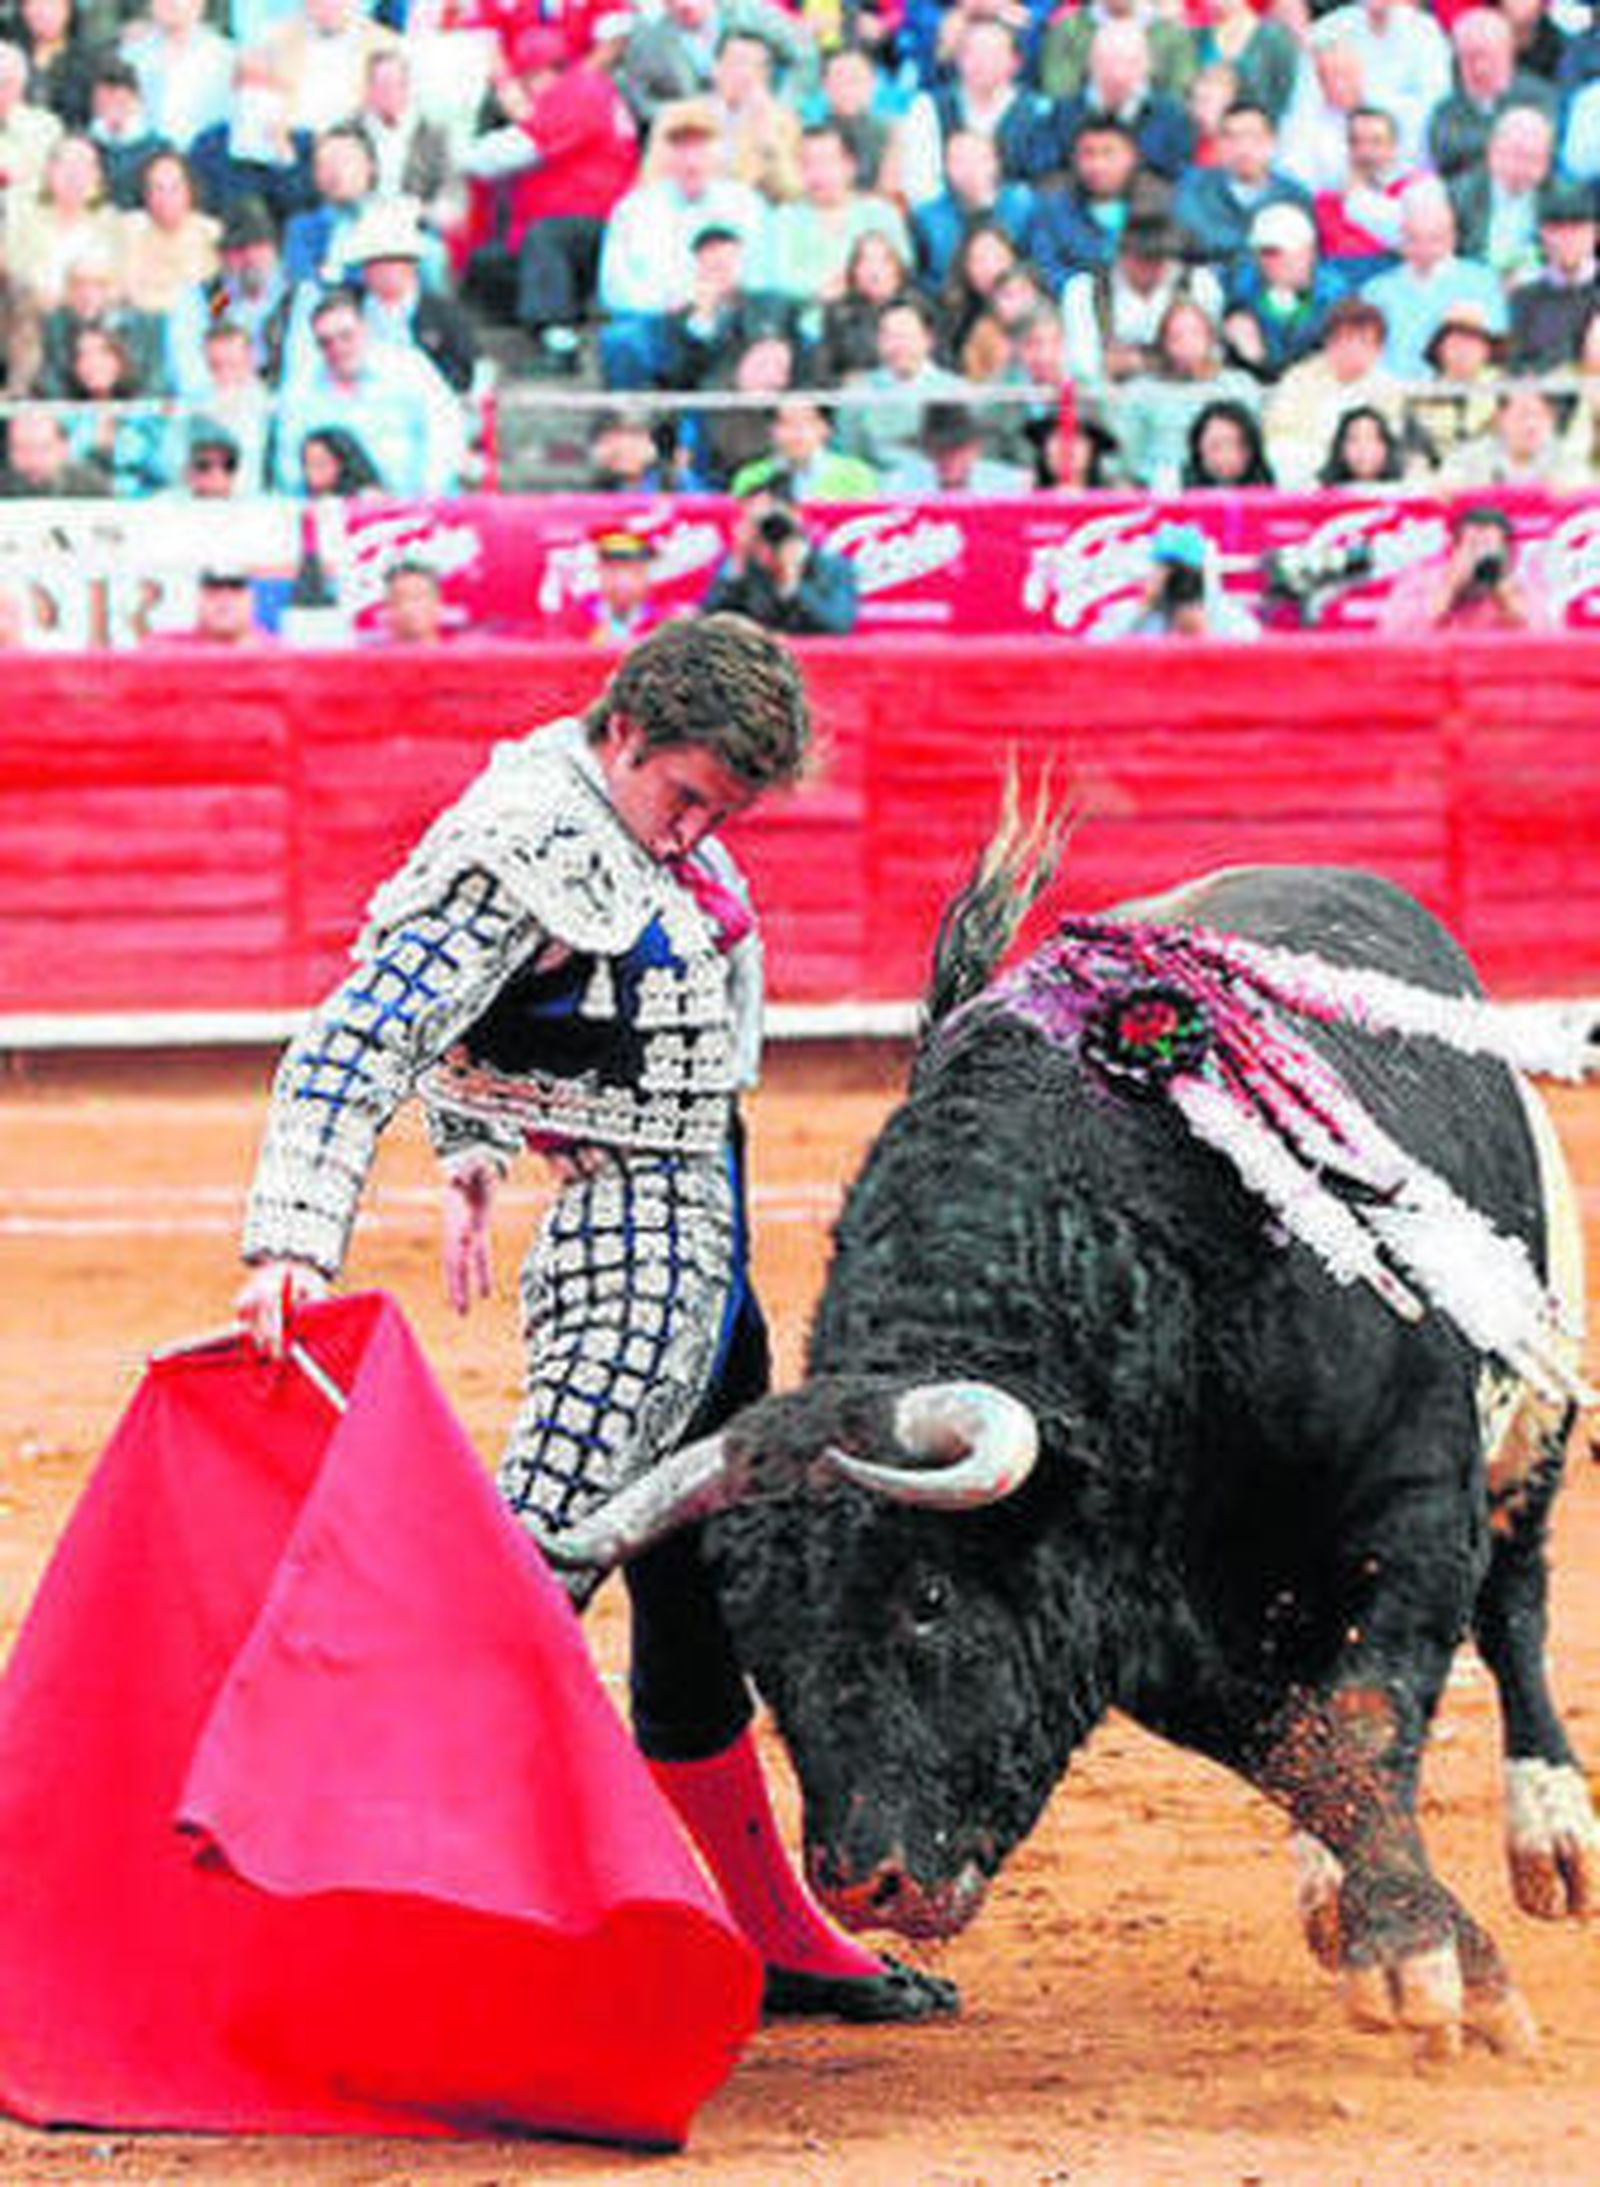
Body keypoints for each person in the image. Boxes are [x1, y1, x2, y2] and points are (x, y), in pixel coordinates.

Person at [231, 616, 950, 2026]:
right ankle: (380, 1916)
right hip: (633, 1242)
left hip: (705, 1232)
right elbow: (358, 1033)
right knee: (526, 1582)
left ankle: (774, 1931)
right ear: (623, 729)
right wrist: (289, 1239)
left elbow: (534, 1019)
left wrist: (475, 1139)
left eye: (723, 814)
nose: (695, 832)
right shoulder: (524, 837)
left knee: (696, 1592)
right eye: (686, 797)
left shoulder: (626, 822)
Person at [699, 483, 858, 633]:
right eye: (756, 521)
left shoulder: (833, 567)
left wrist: (792, 584)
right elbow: (710, 621)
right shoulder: (742, 569)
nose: (769, 529)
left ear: (795, 516)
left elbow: (837, 626)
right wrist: (738, 559)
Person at [1381, 501, 1552, 631]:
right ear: (1454, 550)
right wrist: (1449, 590)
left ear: (1507, 554)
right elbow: (1393, 636)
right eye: (1472, 546)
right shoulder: (1420, 581)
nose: (1480, 555)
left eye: (1489, 546)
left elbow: (1547, 641)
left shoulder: (1524, 585)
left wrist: (1506, 599)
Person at [1091, 519, 1261, 639]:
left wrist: (1205, 635)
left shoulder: (1227, 614)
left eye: (1184, 570)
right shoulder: (1129, 613)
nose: (1178, 581)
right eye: (1168, 569)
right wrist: (1141, 610)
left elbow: (1253, 657)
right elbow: (1094, 652)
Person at [375, 555, 447, 642]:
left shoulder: (461, 650)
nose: (413, 606)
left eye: (419, 596)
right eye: (403, 598)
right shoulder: (368, 651)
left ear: (437, 604)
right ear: (389, 608)